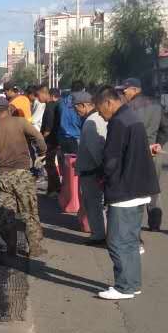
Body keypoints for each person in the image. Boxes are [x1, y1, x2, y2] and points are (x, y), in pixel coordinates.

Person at [95, 85, 158, 301]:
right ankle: (133, 284)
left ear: (108, 103)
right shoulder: (132, 117)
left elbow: (111, 160)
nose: (100, 115)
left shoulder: (118, 122)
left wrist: (102, 178)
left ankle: (124, 287)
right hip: (139, 188)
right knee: (131, 241)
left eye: (99, 110)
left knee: (116, 241)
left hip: (124, 190)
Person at [0, 96, 47, 256]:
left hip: (2, 176)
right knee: (29, 211)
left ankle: (11, 247)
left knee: (6, 213)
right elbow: (39, 138)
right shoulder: (21, 122)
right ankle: (35, 248)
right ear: (9, 108)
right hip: (22, 174)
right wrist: (42, 152)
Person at [122, 77, 166, 231]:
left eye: (125, 91)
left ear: (135, 90)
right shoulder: (157, 105)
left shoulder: (128, 108)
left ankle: (134, 224)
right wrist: (158, 145)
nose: (123, 94)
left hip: (135, 153)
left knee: (136, 189)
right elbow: (164, 129)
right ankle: (155, 223)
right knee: (154, 188)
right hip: (154, 152)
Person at [74, 90, 108, 243]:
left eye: (76, 108)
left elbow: (95, 150)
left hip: (91, 171)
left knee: (93, 204)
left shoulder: (90, 122)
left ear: (84, 105)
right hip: (96, 170)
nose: (76, 112)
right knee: (98, 204)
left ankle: (98, 235)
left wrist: (101, 170)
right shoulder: (97, 119)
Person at [39, 86, 61, 194]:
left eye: (38, 95)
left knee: (50, 164)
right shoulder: (53, 105)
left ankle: (55, 188)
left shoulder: (50, 107)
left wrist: (42, 140)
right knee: (49, 164)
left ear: (45, 94)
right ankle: (53, 188)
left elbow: (48, 128)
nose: (38, 97)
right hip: (54, 139)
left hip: (51, 140)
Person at [58, 81, 85, 154]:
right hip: (75, 138)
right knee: (75, 160)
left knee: (65, 160)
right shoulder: (80, 104)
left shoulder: (62, 102)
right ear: (82, 90)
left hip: (62, 138)